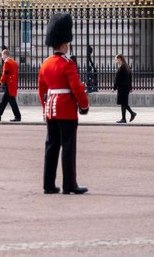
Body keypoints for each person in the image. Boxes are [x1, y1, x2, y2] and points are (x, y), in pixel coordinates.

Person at [38, 13, 90, 195]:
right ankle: (69, 184)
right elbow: (76, 87)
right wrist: (84, 105)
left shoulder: (45, 64)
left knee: (51, 147)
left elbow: (41, 90)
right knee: (68, 148)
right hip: (66, 109)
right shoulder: (67, 64)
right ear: (63, 43)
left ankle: (48, 184)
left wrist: (45, 110)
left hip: (51, 110)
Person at [0, 49, 22, 122]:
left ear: (5, 54)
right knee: (4, 101)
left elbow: (5, 75)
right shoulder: (14, 62)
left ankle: (18, 116)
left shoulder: (7, 63)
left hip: (9, 84)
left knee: (12, 101)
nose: (2, 57)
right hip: (12, 83)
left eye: (2, 55)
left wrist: (0, 83)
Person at [113, 54, 136, 123]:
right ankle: (126, 117)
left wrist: (114, 88)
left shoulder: (122, 67)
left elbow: (118, 79)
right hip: (126, 87)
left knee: (123, 103)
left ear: (120, 59)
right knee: (124, 103)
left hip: (122, 87)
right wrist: (130, 87)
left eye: (116, 59)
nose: (115, 61)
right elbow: (130, 78)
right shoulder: (126, 66)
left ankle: (130, 114)